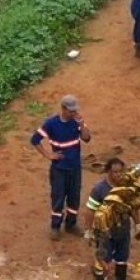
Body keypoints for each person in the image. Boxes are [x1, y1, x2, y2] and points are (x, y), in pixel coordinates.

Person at [30, 93, 92, 237]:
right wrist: (48, 155)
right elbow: (35, 140)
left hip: (75, 168)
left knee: (74, 197)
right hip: (59, 169)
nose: (74, 113)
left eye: (75, 110)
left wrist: (82, 125)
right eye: (71, 111)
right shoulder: (51, 124)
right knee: (58, 198)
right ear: (63, 109)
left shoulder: (77, 122)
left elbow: (86, 138)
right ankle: (55, 227)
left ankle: (71, 224)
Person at [86, 158, 135, 280]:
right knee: (102, 260)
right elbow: (90, 211)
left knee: (122, 257)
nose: (118, 175)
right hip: (105, 233)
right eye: (115, 172)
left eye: (121, 172)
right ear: (108, 172)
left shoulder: (126, 187)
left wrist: (138, 225)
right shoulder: (99, 190)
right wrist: (88, 231)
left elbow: (133, 207)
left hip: (123, 230)